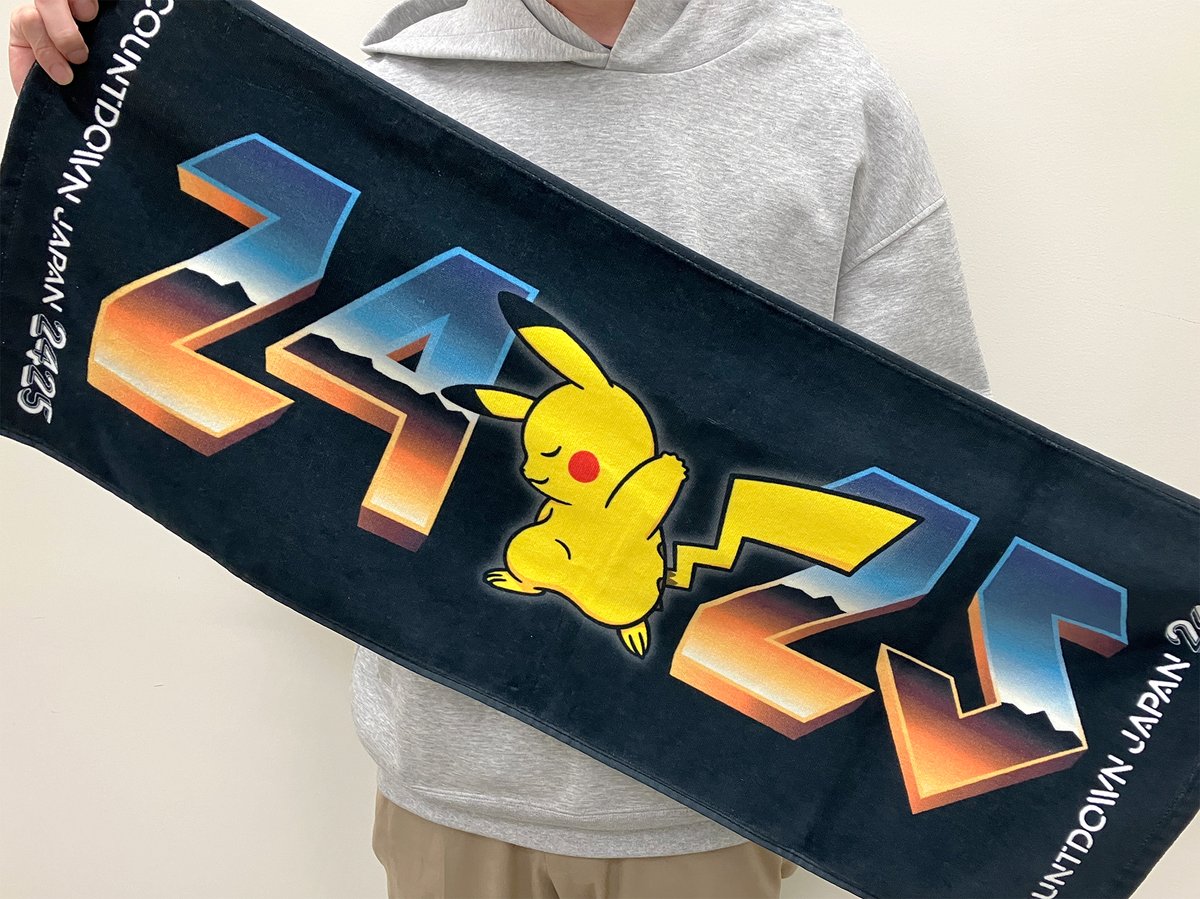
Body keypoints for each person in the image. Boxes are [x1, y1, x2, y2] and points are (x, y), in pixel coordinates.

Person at [9, 1, 990, 897]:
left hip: (718, 796)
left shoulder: (826, 92)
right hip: (451, 785)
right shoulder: (388, 100)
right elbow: (253, 362)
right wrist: (101, 95)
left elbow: (935, 460)